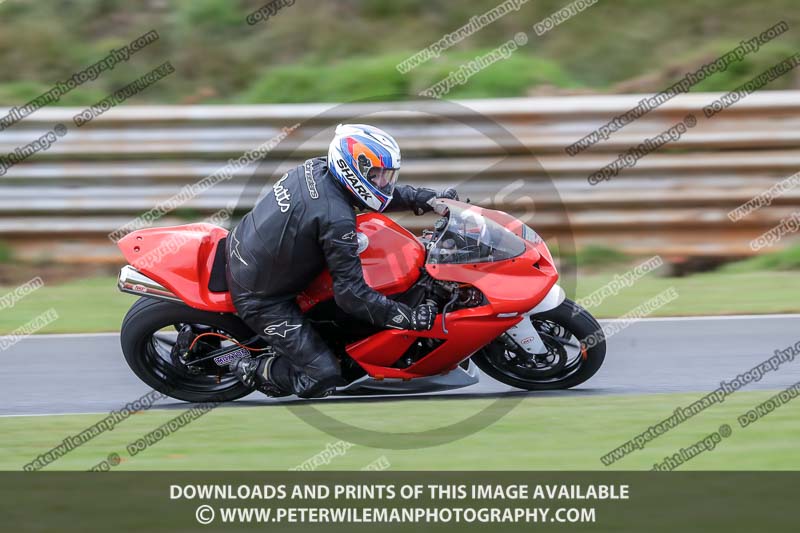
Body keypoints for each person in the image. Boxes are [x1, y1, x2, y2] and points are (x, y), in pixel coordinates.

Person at [226, 124, 458, 398]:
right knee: (323, 376)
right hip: (261, 297)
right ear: (352, 169)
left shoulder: (318, 168)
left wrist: (425, 199)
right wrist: (406, 318)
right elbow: (351, 296)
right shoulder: (335, 218)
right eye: (377, 175)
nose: (383, 182)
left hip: (250, 247)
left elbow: (373, 195)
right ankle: (246, 366)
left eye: (386, 175)